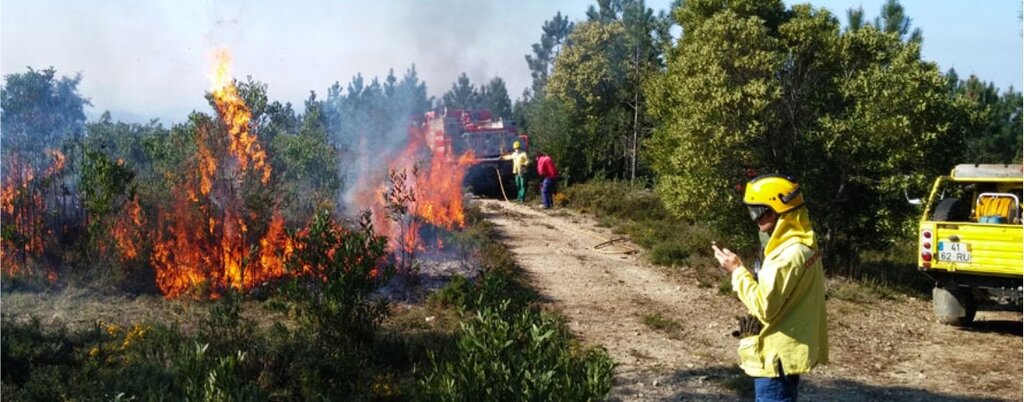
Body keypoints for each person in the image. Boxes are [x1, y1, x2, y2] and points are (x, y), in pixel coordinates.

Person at [711, 175, 828, 402]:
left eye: (759, 212)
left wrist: (736, 270)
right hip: (788, 349)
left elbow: (764, 307)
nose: (755, 219)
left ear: (776, 211)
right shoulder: (804, 244)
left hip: (775, 357)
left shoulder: (787, 256)